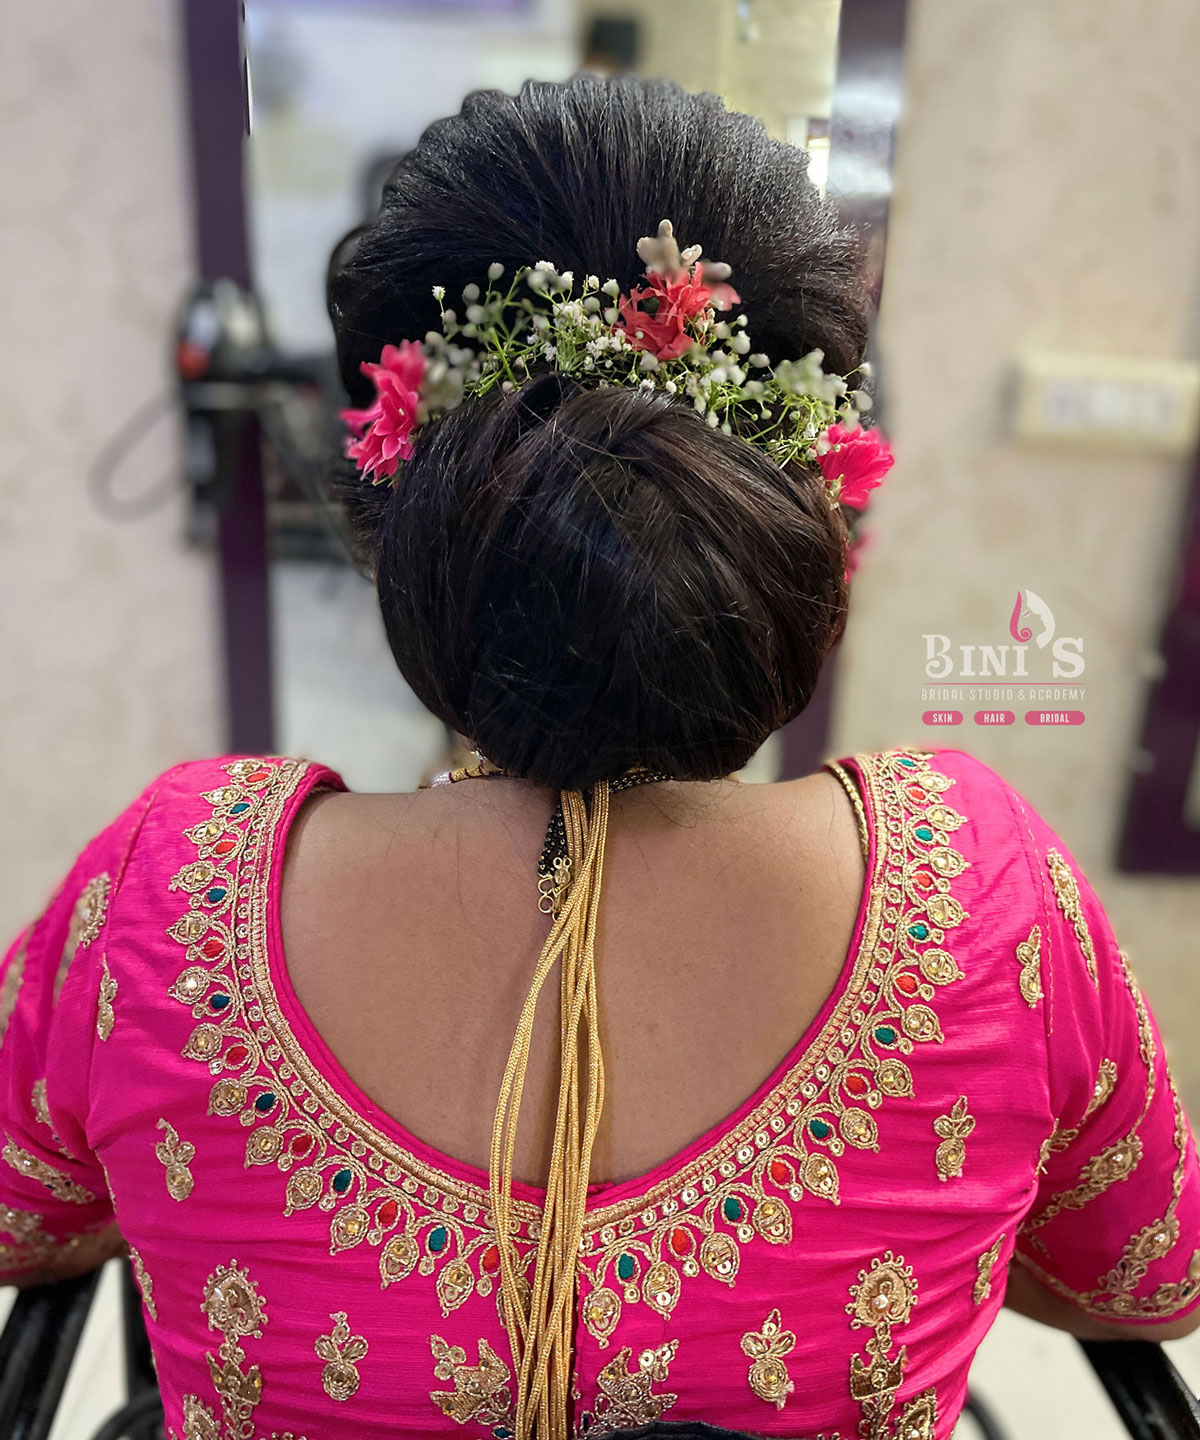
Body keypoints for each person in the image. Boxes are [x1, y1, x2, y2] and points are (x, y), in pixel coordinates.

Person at [2, 75, 1197, 1440]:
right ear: (812, 519)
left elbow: (25, 1221)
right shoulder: (983, 891)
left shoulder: (170, 886)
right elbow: (1146, 1284)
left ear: (393, 523)